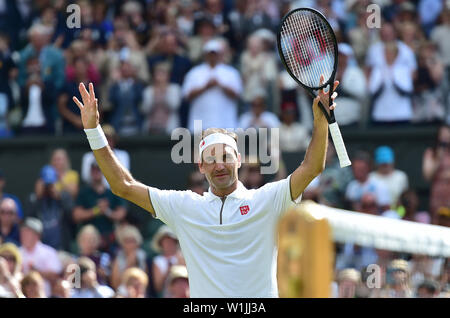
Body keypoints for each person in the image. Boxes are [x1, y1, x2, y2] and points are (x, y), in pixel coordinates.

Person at [72, 71, 339, 297]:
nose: (219, 165)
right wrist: (94, 131)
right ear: (201, 167)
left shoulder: (268, 199)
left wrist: (320, 121)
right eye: (211, 159)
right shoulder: (184, 206)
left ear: (238, 161)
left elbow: (312, 166)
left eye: (225, 157)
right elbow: (123, 186)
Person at [182, 38, 243, 132]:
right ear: (205, 55)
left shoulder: (231, 72)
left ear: (220, 54)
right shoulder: (194, 73)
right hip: (199, 126)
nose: (212, 56)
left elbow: (237, 94)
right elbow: (187, 96)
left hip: (225, 125)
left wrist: (220, 85)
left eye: (215, 54)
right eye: (210, 54)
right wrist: (205, 87)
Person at [73, 162, 127, 253]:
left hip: (108, 238)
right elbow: (76, 215)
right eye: (93, 170)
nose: (96, 173)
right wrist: (96, 210)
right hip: (89, 239)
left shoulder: (112, 192)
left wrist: (107, 211)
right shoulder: (84, 192)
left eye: (98, 170)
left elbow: (121, 214)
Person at [27, 165, 74, 250]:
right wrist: (38, 197)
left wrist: (59, 197)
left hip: (61, 248)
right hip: (40, 249)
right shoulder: (34, 199)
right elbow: (29, 221)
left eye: (51, 184)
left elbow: (72, 218)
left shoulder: (64, 197)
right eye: (46, 184)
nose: (48, 188)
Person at [19, 217, 63, 297]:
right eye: (23, 231)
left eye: (28, 232)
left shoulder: (49, 252)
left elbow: (56, 275)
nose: (24, 234)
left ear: (37, 235)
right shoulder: (17, 252)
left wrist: (36, 271)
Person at [81, 124, 130, 189]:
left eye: (109, 139)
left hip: (116, 193)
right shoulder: (88, 157)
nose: (106, 142)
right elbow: (86, 178)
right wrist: (96, 157)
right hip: (94, 193)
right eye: (103, 139)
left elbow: (124, 178)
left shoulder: (123, 155)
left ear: (114, 140)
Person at [141, 62, 182, 135]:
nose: (159, 77)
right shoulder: (149, 90)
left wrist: (164, 92)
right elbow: (145, 110)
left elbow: (174, 106)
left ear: (168, 76)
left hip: (169, 128)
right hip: (151, 128)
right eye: (157, 74)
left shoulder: (174, 89)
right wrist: (154, 94)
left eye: (162, 74)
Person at [422, 124, 450, 226]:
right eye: (443, 135)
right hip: (437, 195)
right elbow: (427, 175)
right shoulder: (431, 152)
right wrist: (439, 157)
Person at [151, 225, 184, 297]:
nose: (169, 244)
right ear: (161, 243)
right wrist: (169, 270)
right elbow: (158, 287)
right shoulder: (157, 261)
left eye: (171, 241)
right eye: (166, 241)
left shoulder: (183, 257)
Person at [110, 224, 147, 290]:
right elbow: (115, 284)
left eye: (132, 241)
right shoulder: (118, 258)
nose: (130, 244)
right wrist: (128, 265)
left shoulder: (143, 257)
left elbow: (146, 282)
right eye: (127, 241)